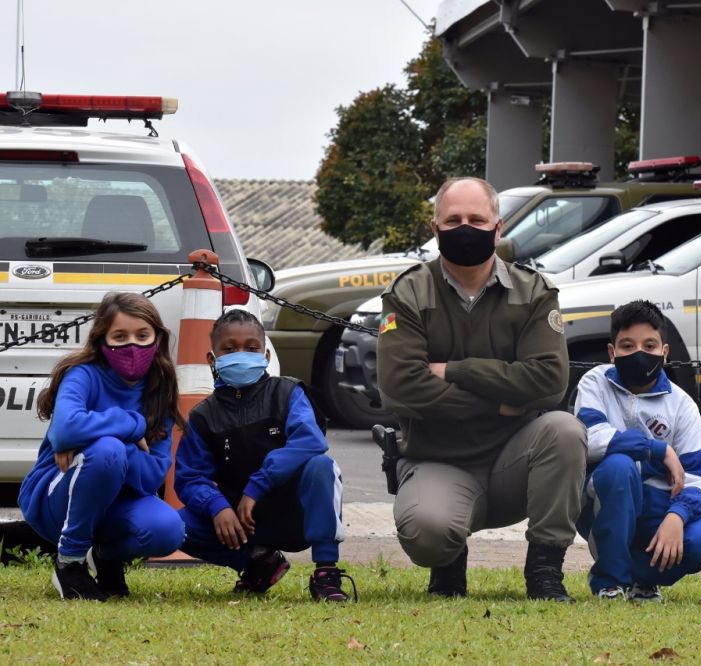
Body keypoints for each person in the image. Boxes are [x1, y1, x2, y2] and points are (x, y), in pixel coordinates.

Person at [376, 177, 587, 601]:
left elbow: (548, 381)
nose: (465, 227)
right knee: (428, 532)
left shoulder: (533, 292)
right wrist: (503, 402)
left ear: (499, 226)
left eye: (477, 219)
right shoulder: (410, 292)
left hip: (515, 460)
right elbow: (400, 387)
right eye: (453, 220)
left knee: (564, 430)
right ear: (435, 229)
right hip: (439, 459)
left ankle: (545, 571)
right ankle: (448, 567)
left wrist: (453, 369)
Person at [173, 310, 352, 602]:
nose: (240, 355)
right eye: (229, 349)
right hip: (242, 521)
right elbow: (190, 477)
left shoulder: (287, 392)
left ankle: (326, 572)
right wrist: (217, 506)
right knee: (176, 526)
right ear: (212, 359)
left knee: (322, 467)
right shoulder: (203, 417)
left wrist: (258, 485)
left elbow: (310, 441)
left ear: (266, 356)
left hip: (295, 513)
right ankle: (258, 562)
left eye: (251, 348)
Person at [18, 292, 186, 601]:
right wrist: (131, 425)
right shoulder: (83, 375)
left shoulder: (159, 387)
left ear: (157, 338)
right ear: (102, 340)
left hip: (119, 501)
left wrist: (96, 441)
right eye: (119, 336)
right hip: (54, 496)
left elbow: (152, 476)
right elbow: (67, 429)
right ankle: (69, 563)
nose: (132, 345)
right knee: (107, 450)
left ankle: (106, 556)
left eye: (142, 335)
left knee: (169, 530)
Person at [573, 300, 701, 601]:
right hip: (604, 498)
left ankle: (643, 579)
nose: (639, 353)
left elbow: (700, 479)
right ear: (611, 352)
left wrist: (677, 517)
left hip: (660, 506)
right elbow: (591, 438)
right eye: (627, 345)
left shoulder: (682, 405)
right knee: (619, 467)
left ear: (665, 353)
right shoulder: (595, 383)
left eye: (650, 345)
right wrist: (658, 450)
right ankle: (610, 581)